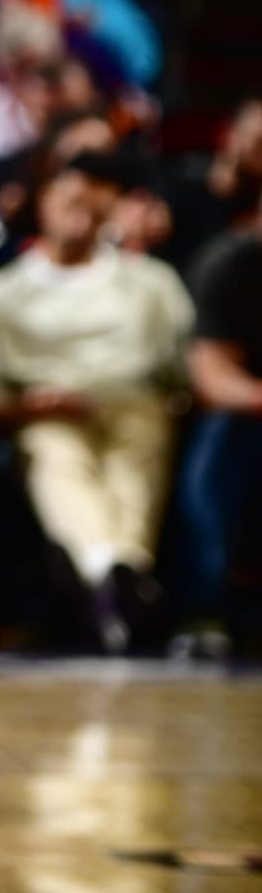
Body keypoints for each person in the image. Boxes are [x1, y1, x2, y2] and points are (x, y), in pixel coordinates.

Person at [0, 158, 192, 651]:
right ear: (43, 204)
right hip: (46, 410)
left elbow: (183, 364)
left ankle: (107, 579)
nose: (81, 216)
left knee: (137, 459)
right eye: (70, 201)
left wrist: (175, 403)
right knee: (56, 461)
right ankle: (119, 574)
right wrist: (28, 406)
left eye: (94, 206)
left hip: (134, 401)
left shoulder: (152, 282)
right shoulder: (1, 293)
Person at [179, 177, 262, 659]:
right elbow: (211, 377)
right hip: (248, 410)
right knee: (218, 441)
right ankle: (203, 609)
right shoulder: (230, 265)